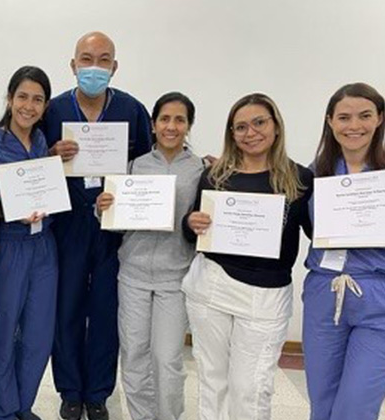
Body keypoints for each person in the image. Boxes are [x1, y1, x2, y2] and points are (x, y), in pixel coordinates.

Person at [41, 31, 152, 420]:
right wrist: (52, 155)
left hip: (113, 227)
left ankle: (99, 393)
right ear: (72, 66)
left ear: (114, 67)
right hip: (67, 223)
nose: (94, 67)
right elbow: (31, 169)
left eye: (103, 60)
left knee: (107, 311)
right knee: (66, 309)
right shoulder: (52, 111)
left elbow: (148, 168)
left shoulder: (132, 110)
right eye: (86, 59)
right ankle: (71, 391)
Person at [182, 93, 312, 420]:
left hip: (266, 297)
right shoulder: (215, 176)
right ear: (232, 134)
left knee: (252, 388)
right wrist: (190, 222)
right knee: (213, 380)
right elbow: (192, 230)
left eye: (259, 123)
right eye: (240, 127)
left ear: (276, 127)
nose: (250, 132)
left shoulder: (299, 180)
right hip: (211, 286)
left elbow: (317, 232)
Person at [96, 92, 203, 420]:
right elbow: (114, 226)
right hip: (133, 276)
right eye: (165, 119)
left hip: (176, 277)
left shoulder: (201, 170)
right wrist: (102, 209)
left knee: (168, 358)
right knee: (134, 355)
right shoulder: (133, 166)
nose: (171, 126)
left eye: (179, 120)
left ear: (188, 126)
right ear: (154, 125)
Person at [0, 66, 57, 420]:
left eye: (37, 99)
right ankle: (3, 411)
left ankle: (24, 406)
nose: (29, 105)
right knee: (3, 334)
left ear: (45, 105)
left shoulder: (41, 142)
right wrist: (11, 210)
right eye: (22, 96)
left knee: (39, 335)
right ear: (9, 99)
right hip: (8, 247)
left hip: (44, 248)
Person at [303, 83, 385, 420]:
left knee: (355, 406)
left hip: (377, 296)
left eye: (365, 116)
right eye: (344, 117)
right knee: (322, 402)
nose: (355, 126)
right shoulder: (313, 175)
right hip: (324, 292)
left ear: (379, 119)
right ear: (330, 122)